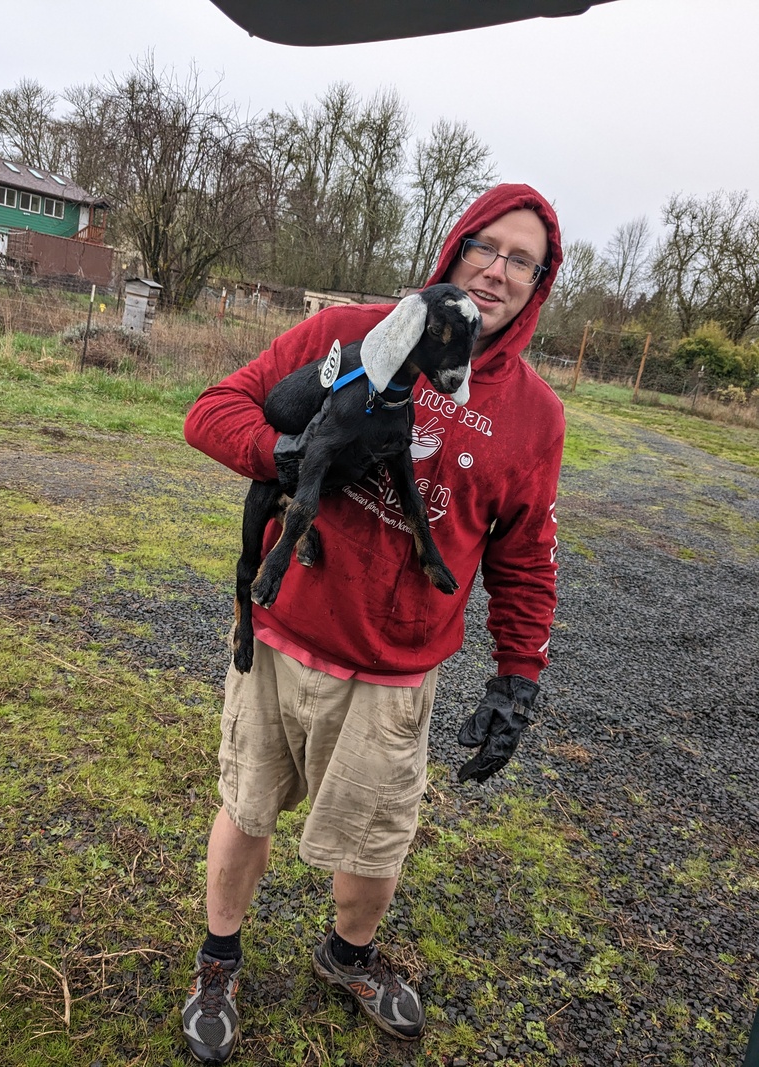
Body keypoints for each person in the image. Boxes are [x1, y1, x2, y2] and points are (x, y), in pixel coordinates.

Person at [181, 182, 564, 1064]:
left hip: (395, 669)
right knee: (245, 809)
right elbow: (213, 410)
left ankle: (345, 955)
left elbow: (525, 557)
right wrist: (289, 453)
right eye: (486, 247)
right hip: (279, 635)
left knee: (375, 847)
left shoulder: (535, 417)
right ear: (455, 247)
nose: (498, 271)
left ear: (539, 284)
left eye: (521, 260)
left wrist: (518, 677)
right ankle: (218, 961)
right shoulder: (351, 332)